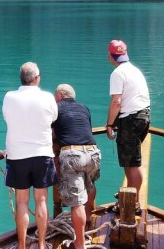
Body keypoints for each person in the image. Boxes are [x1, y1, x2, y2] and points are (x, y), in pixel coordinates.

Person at [2, 62, 58, 249]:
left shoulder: (9, 97)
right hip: (42, 154)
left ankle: (22, 245)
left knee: (21, 202)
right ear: (37, 78)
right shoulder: (48, 97)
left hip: (17, 156)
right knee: (41, 200)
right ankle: (42, 244)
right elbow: (53, 118)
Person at [52, 84, 101, 249]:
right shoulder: (84, 107)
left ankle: (79, 243)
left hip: (73, 155)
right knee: (90, 185)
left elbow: (53, 133)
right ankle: (87, 218)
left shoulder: (56, 108)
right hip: (93, 152)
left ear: (60, 95)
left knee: (76, 202)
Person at [105, 39, 150, 207]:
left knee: (134, 162)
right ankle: (129, 197)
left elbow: (117, 101)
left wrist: (110, 124)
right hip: (143, 116)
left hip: (131, 118)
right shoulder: (135, 70)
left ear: (111, 56)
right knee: (129, 160)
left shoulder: (118, 73)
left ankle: (134, 203)